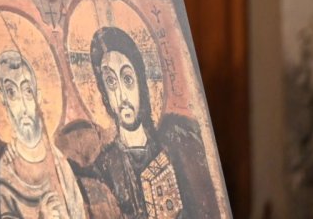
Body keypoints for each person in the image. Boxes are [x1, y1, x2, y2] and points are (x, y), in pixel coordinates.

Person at [80, 26, 217, 218]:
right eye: (111, 82)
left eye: (127, 79)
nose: (121, 95)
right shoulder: (105, 166)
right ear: (103, 91)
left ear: (141, 82)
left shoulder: (170, 149)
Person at [0, 49, 88, 218]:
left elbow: (78, 212)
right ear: (3, 98)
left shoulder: (58, 161)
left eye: (27, 91)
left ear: (38, 96)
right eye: (12, 93)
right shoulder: (7, 163)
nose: (23, 106)